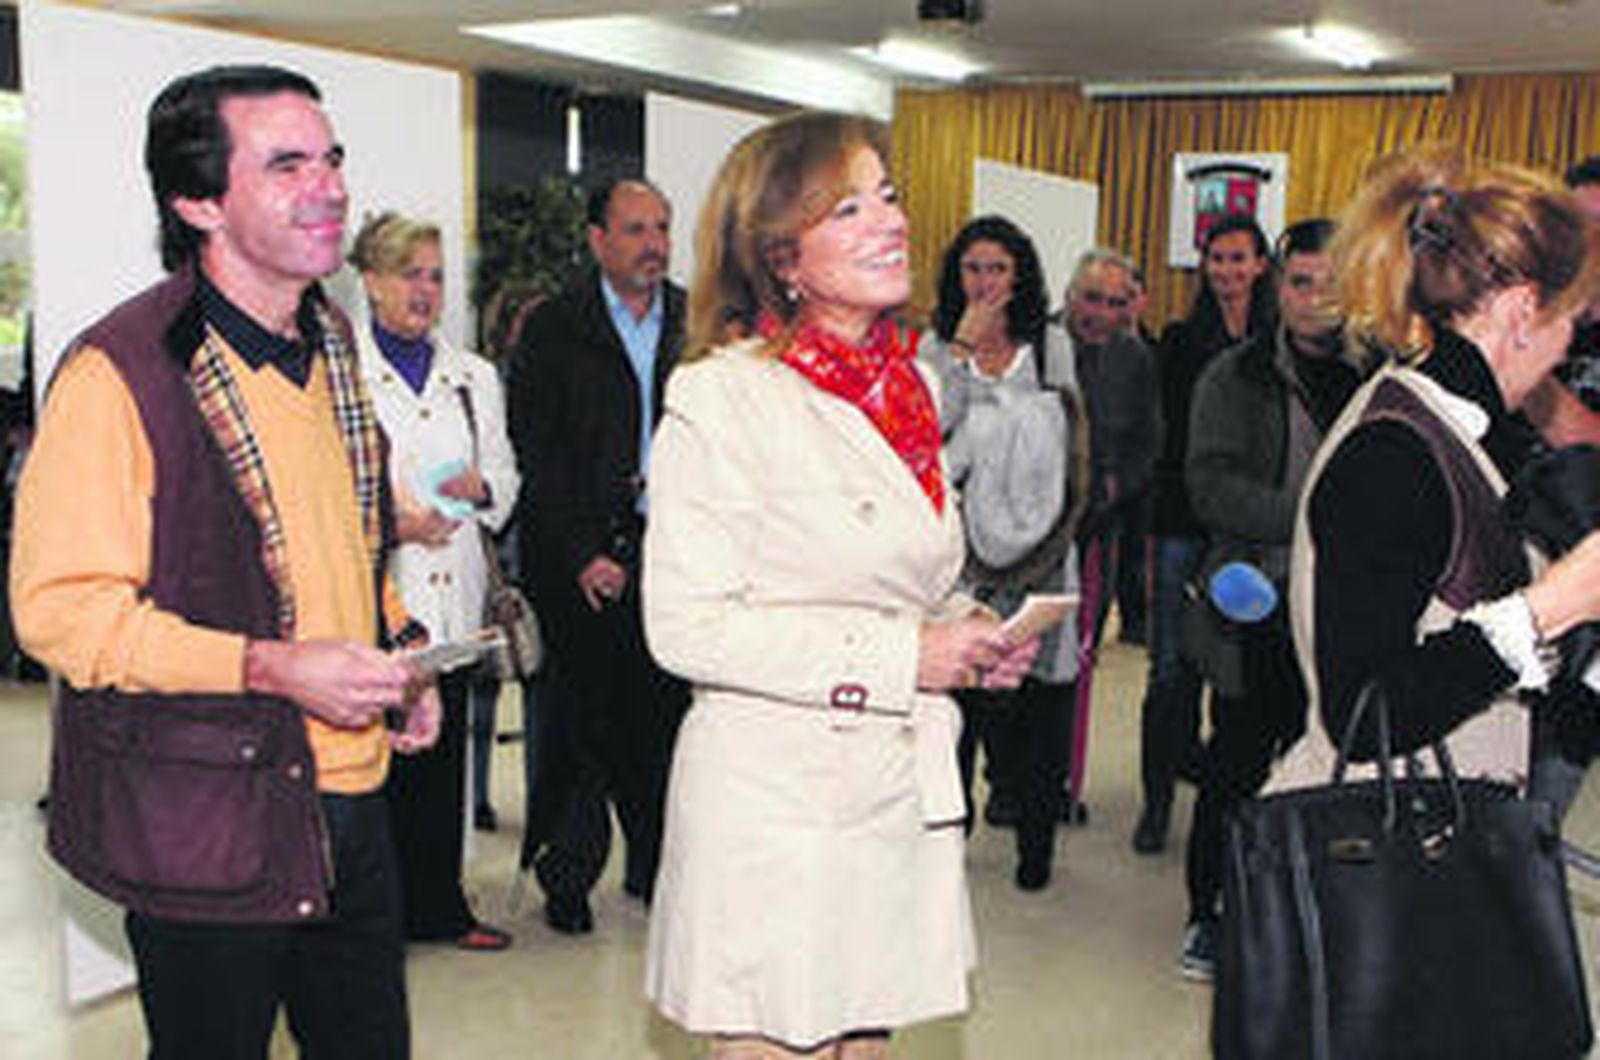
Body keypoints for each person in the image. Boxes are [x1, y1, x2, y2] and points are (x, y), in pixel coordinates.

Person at [11, 65, 438, 1058]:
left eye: (331, 159)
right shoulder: (118, 374)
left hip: (355, 806)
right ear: (197, 199)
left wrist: (397, 644)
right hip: (209, 815)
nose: (328, 186)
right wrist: (268, 663)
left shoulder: (331, 340)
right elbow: (61, 613)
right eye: (286, 164)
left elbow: (350, 532)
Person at [642, 112, 1040, 1059]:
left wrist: (964, 631)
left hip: (887, 790)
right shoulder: (724, 397)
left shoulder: (906, 389)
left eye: (890, 198)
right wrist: (909, 653)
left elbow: (888, 576)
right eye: (849, 208)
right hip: (781, 811)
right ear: (780, 253)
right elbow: (687, 627)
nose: (891, 223)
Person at [1265, 147, 1600, 820]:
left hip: (1454, 840)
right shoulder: (1391, 451)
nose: (1571, 341)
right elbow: (1360, 716)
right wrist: (1545, 610)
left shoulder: (1477, 432)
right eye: (1573, 316)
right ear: (1521, 308)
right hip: (1373, 864)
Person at [1175, 218, 1362, 979]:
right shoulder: (1235, 375)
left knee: (1330, 766)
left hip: (1350, 610)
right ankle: (1209, 913)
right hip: (1259, 603)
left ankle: (1305, 911)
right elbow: (1209, 486)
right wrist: (1320, 520)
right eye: (1300, 282)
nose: (1316, 300)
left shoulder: (1379, 378)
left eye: (1331, 284)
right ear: (1275, 287)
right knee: (1240, 763)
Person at [508, 177, 691, 934]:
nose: (652, 245)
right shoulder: (554, 326)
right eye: (635, 229)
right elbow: (537, 451)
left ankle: (655, 867)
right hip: (577, 559)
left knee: (660, 722)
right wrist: (583, 550)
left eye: (661, 228)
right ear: (596, 239)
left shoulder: (695, 320)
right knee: (576, 728)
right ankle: (569, 877)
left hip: (670, 554)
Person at [348, 211, 518, 951]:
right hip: (383, 593)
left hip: (456, 589)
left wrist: (483, 490)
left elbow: (509, 477)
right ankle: (374, 918)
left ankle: (439, 906)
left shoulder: (472, 376)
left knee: (442, 755)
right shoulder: (341, 373)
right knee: (378, 759)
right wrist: (395, 523)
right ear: (372, 282)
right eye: (409, 274)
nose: (425, 290)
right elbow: (330, 494)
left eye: (436, 276)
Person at [920, 215, 1087, 891]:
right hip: (959, 560)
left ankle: (1035, 845)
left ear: (1019, 275)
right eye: (972, 268)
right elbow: (926, 431)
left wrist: (1053, 541)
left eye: (996, 268)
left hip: (1043, 555)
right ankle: (944, 844)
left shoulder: (1050, 345)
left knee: (1038, 707)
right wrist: (959, 350)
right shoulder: (936, 344)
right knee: (958, 705)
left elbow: (1074, 447)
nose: (984, 281)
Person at [1133, 215, 1276, 856]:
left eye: (1239, 258)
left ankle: (1227, 797)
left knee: (1240, 673)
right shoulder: (1179, 339)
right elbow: (1168, 440)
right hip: (1183, 528)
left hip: (1250, 531)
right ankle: (1158, 802)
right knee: (1171, 672)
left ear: (1260, 265)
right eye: (1217, 259)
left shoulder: (1281, 339)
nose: (1227, 270)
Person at [1062, 248, 1163, 648]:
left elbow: (1148, 438)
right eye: (1091, 298)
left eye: (1115, 303)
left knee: (1082, 646)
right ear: (1069, 295)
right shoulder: (1034, 344)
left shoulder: (1134, 355)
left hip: (1098, 524)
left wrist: (1118, 487)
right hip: (1030, 531)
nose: (1101, 313)